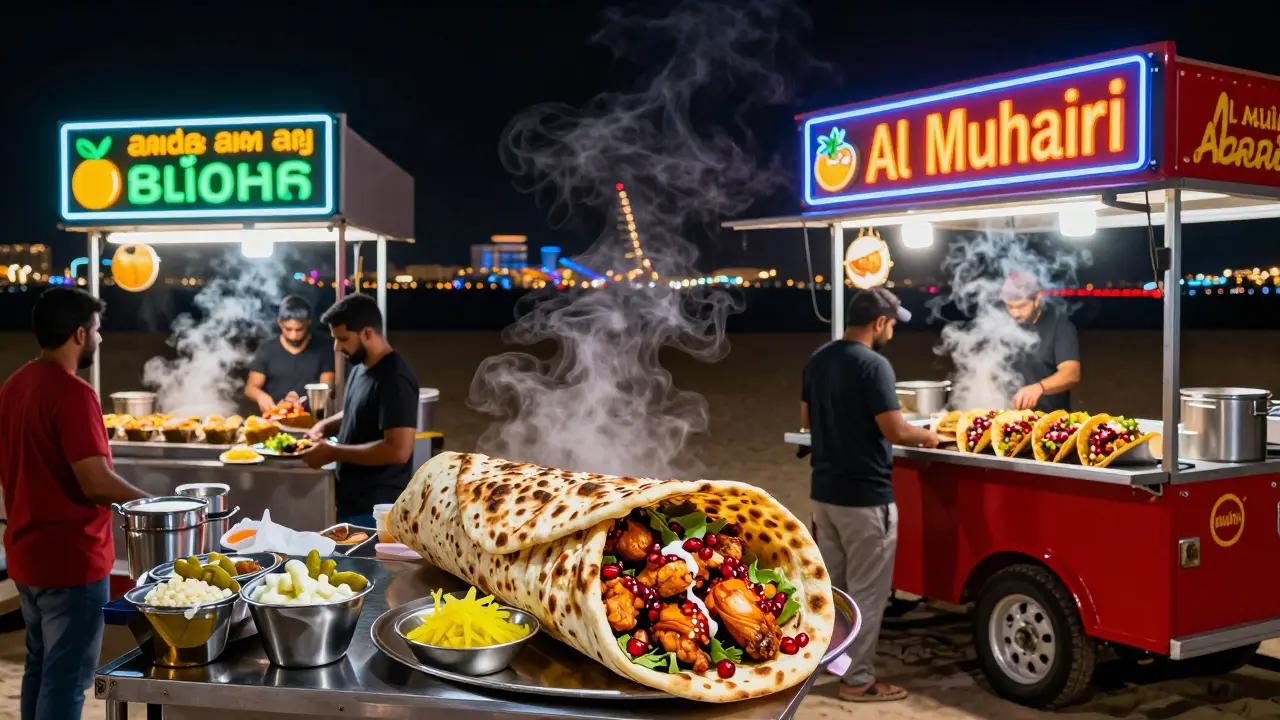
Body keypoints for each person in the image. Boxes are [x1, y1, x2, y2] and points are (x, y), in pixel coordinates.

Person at [0, 287, 149, 720]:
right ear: (80, 334)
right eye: (98, 330)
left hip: (27, 556)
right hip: (71, 561)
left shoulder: (14, 385)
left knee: (40, 667)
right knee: (67, 680)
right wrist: (152, 503)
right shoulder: (73, 393)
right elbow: (96, 482)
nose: (100, 339)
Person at [801, 287, 937, 704]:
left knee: (835, 592)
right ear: (879, 323)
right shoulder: (874, 365)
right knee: (867, 594)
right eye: (893, 325)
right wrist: (930, 436)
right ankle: (858, 681)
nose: (892, 333)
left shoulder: (818, 359)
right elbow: (895, 431)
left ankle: (829, 663)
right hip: (865, 500)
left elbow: (805, 421)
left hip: (825, 495)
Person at [301, 294, 418, 527]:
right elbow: (356, 411)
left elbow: (398, 450)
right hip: (352, 501)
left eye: (343, 339)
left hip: (377, 509)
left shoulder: (394, 378)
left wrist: (333, 451)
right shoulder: (361, 367)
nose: (337, 347)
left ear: (367, 332)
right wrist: (324, 425)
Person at [1001, 271, 1081, 412]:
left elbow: (1071, 373)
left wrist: (1040, 387)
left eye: (1021, 306)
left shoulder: (1059, 325)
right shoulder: (1002, 324)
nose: (1015, 313)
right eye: (1010, 306)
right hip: (1008, 416)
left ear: (1038, 297)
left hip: (1050, 418)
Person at [244, 295, 336, 414]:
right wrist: (261, 396)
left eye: (299, 329)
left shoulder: (324, 347)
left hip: (310, 418)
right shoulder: (267, 349)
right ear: (280, 323)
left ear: (308, 322)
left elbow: (327, 386)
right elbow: (251, 388)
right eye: (288, 329)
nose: (293, 335)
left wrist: (302, 401)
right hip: (274, 418)